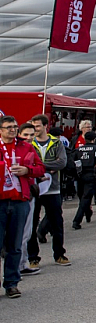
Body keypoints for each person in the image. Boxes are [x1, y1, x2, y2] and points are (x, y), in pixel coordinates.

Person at [0, 116, 45, 298]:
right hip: (1, 200)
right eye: (8, 127)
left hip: (20, 201)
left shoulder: (26, 147)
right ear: (0, 130)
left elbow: (40, 168)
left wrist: (28, 171)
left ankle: (12, 283)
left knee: (15, 244)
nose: (12, 130)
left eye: (14, 127)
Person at [29, 114, 70, 266]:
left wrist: (40, 167)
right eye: (33, 126)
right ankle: (33, 257)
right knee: (32, 224)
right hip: (34, 189)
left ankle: (59, 253)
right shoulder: (30, 143)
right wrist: (44, 168)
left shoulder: (56, 143)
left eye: (38, 126)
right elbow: (28, 164)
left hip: (53, 189)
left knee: (57, 222)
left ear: (45, 126)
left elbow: (62, 163)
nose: (35, 129)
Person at [17, 123, 41, 276]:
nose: (29, 138)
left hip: (29, 193)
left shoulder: (31, 149)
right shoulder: (13, 150)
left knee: (27, 232)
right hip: (15, 195)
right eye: (26, 135)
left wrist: (31, 172)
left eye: (32, 135)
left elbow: (40, 168)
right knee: (18, 233)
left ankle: (22, 263)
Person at [72, 131, 96, 229]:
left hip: (80, 175)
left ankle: (88, 213)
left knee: (82, 197)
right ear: (94, 139)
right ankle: (77, 220)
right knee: (86, 198)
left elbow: (74, 163)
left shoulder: (78, 150)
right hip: (92, 175)